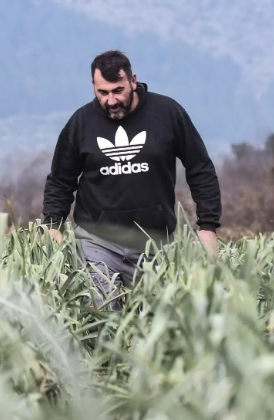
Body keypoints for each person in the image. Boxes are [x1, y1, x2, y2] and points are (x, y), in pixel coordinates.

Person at [40, 50, 222, 310]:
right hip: (97, 241)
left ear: (133, 81)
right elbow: (60, 179)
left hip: (155, 243)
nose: (111, 100)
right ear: (93, 87)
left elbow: (200, 168)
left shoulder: (167, 113)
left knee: (156, 322)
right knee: (102, 315)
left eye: (118, 90)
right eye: (103, 93)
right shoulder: (81, 123)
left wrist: (208, 227)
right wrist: (53, 225)